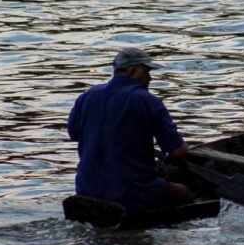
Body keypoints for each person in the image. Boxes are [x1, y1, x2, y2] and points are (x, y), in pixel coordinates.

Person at [68, 48, 192, 213]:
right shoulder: (148, 101)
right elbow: (178, 151)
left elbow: (74, 134)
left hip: (87, 190)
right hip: (132, 193)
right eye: (147, 72)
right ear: (133, 71)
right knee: (184, 193)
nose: (150, 78)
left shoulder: (86, 96)